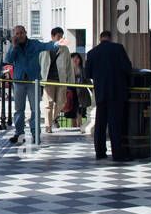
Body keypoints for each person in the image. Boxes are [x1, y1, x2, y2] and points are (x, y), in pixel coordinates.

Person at [5, 25, 70, 143]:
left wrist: (58, 43)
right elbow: (9, 60)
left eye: (21, 33)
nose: (19, 36)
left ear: (25, 33)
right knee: (19, 109)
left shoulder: (34, 44)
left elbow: (46, 46)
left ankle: (35, 134)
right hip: (19, 81)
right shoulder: (14, 46)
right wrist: (14, 46)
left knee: (35, 109)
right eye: (17, 33)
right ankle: (19, 133)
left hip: (32, 80)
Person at [84, 30, 132, 161]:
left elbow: (88, 74)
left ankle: (100, 152)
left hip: (100, 92)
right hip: (117, 91)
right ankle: (117, 153)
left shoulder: (92, 53)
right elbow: (127, 67)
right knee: (115, 123)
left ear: (100, 39)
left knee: (100, 123)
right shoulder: (118, 49)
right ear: (111, 38)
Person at [41, 26, 73, 132]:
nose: (60, 39)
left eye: (61, 37)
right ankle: (48, 125)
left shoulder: (65, 49)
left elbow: (69, 66)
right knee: (48, 103)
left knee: (62, 102)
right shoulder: (45, 48)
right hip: (48, 79)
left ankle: (54, 117)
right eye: (58, 37)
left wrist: (70, 83)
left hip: (61, 79)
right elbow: (39, 63)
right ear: (52, 36)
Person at [63, 51, 92, 127]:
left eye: (77, 58)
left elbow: (87, 81)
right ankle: (74, 126)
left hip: (81, 93)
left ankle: (80, 125)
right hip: (70, 93)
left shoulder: (83, 70)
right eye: (73, 58)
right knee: (72, 111)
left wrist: (93, 90)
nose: (75, 59)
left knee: (80, 110)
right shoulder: (67, 70)